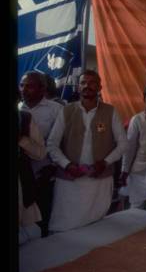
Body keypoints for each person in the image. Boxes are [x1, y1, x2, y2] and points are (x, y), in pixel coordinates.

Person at [46, 70, 128, 232]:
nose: (87, 86)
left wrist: (105, 163)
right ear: (78, 86)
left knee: (95, 225)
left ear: (99, 87)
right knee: (65, 225)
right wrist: (67, 165)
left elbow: (123, 144)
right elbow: (52, 144)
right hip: (69, 181)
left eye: (91, 83)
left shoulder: (110, 112)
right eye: (83, 82)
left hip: (99, 179)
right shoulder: (67, 110)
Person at [18, 71, 64, 237]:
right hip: (22, 177)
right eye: (22, 85)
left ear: (42, 89)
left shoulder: (56, 110)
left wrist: (53, 167)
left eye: (29, 86)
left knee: (44, 217)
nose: (23, 89)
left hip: (45, 175)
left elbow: (63, 142)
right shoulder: (19, 111)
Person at [120, 85, 146, 210]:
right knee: (137, 206)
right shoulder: (137, 120)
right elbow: (130, 148)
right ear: (144, 99)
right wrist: (124, 170)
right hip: (140, 171)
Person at [17, 109, 46, 244]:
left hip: (22, 183)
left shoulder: (24, 118)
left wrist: (22, 140)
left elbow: (40, 153)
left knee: (30, 233)